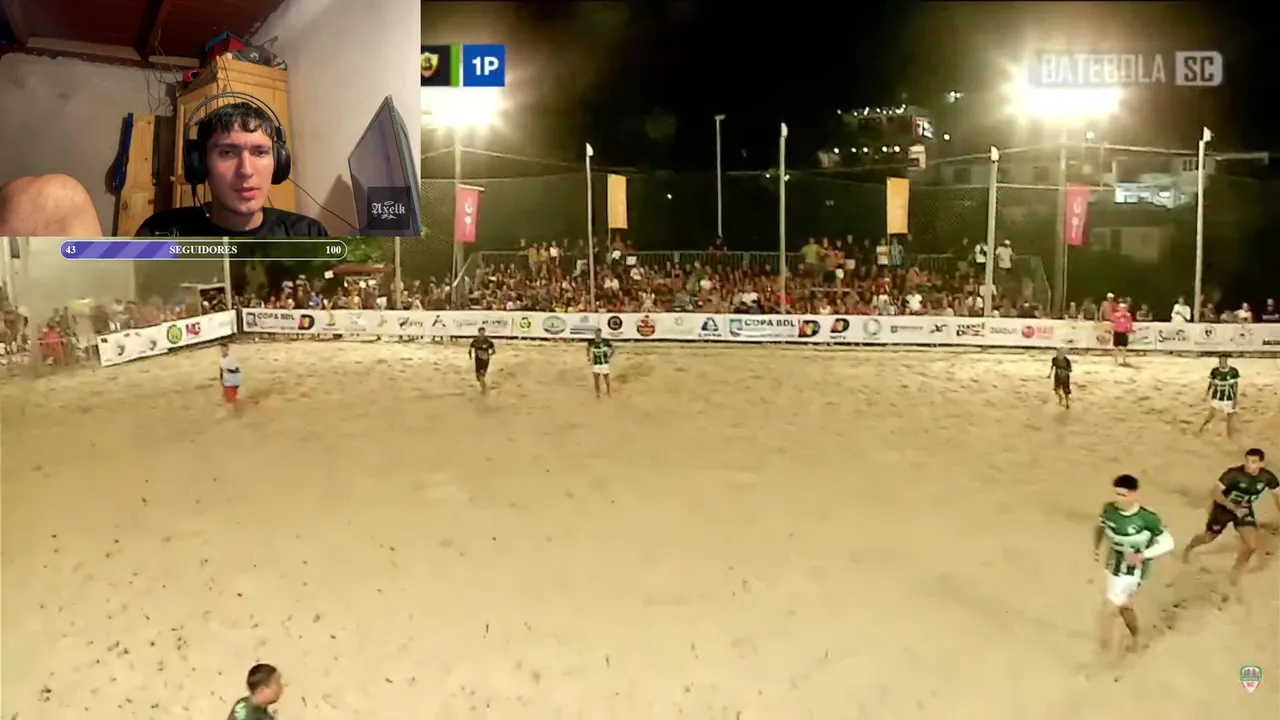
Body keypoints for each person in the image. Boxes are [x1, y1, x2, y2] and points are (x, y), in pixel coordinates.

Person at [137, 102, 329, 237]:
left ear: (279, 163)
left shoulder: (309, 235)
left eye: (260, 152)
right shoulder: (158, 232)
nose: (246, 170)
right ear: (200, 163)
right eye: (228, 152)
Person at [1093, 474, 1175, 652]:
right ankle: (1137, 635)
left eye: (1123, 495)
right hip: (1113, 565)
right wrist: (1097, 548)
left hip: (1133, 570)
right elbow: (1101, 527)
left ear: (1134, 495)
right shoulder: (1108, 510)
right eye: (1117, 494)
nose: (1119, 499)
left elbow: (1168, 543)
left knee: (1109, 608)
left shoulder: (1147, 519)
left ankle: (1102, 653)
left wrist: (1143, 555)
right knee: (1124, 606)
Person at [1181, 449, 1280, 587]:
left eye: (1253, 462)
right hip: (1223, 509)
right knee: (1208, 538)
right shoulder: (1233, 474)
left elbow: (1277, 496)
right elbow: (1215, 493)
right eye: (1247, 461)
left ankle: (1236, 572)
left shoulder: (1268, 478)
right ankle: (1189, 548)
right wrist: (1234, 508)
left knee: (1251, 545)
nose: (1249, 465)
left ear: (1262, 464)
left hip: (1244, 510)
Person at [1198, 354, 1241, 437]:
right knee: (1211, 415)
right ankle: (1201, 428)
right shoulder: (1215, 371)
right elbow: (1211, 383)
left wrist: (1235, 399)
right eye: (1221, 360)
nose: (1222, 362)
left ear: (1227, 360)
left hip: (1229, 398)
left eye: (1224, 360)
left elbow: (1235, 386)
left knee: (1230, 418)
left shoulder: (1233, 371)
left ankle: (1230, 435)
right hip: (1217, 398)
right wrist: (1207, 393)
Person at [586, 327, 614, 398]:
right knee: (596, 380)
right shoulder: (591, 342)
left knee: (606, 379)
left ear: (601, 333)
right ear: (595, 333)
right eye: (597, 333)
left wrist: (609, 357)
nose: (598, 334)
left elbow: (613, 349)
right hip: (596, 363)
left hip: (604, 363)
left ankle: (608, 392)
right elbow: (587, 348)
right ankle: (597, 393)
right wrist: (588, 357)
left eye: (599, 333)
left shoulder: (605, 341)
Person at [467, 327, 495, 394]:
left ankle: (484, 390)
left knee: (482, 376)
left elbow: (494, 351)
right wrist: (470, 356)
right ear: (479, 332)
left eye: (483, 332)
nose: (482, 333)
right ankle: (484, 387)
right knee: (478, 377)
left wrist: (488, 355)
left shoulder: (488, 341)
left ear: (484, 332)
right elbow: (470, 349)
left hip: (485, 360)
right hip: (477, 360)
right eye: (481, 332)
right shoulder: (475, 340)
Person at [219, 343, 242, 411]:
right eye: (222, 349)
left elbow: (237, 370)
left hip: (233, 381)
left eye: (224, 349)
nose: (223, 350)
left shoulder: (231, 359)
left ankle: (237, 410)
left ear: (227, 349)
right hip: (226, 381)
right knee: (227, 397)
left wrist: (229, 371)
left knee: (231, 398)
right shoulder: (220, 359)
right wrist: (221, 379)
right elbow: (221, 369)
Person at [1110, 300, 1133, 365]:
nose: (1123, 309)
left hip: (1124, 332)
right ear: (1119, 308)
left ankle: (1124, 360)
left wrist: (1130, 330)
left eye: (1124, 308)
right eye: (1121, 308)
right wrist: (1112, 330)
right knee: (1116, 347)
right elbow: (1113, 323)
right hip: (1117, 332)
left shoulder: (1128, 315)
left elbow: (1130, 323)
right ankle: (1116, 361)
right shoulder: (1116, 315)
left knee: (1124, 347)